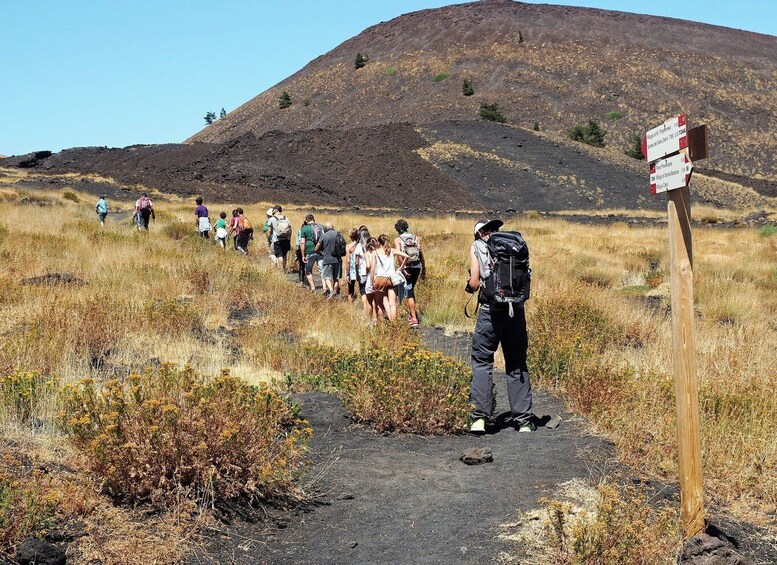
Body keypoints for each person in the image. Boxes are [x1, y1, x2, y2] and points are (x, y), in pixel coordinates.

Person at [466, 219, 534, 434]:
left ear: (478, 234)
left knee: (482, 361)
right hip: (516, 310)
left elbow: (475, 282)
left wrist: (469, 287)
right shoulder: (514, 245)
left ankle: (479, 419)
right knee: (516, 361)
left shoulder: (477, 246)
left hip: (490, 311)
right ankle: (524, 421)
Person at [393, 219, 426, 328]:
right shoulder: (415, 238)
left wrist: (403, 269)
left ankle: (414, 318)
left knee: (409, 292)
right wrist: (424, 268)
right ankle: (412, 314)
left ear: (398, 229)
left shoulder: (398, 240)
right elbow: (420, 253)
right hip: (417, 267)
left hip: (407, 268)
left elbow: (399, 255)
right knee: (410, 290)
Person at [370, 234, 409, 321]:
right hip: (391, 279)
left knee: (379, 303)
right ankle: (393, 323)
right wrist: (401, 268)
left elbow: (372, 269)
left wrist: (372, 281)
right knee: (392, 304)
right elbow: (407, 256)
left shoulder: (375, 252)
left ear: (379, 243)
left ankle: (382, 325)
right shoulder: (392, 251)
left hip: (379, 278)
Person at [315, 222, 344, 299]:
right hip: (338, 259)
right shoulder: (339, 234)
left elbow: (316, 248)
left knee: (326, 277)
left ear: (326, 228)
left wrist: (321, 254)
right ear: (333, 227)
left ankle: (331, 291)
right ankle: (335, 294)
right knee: (336, 278)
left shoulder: (324, 236)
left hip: (327, 259)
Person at [299, 214, 322, 291]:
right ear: (313, 219)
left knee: (308, 271)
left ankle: (313, 287)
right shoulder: (321, 226)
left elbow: (302, 243)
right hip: (320, 251)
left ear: (306, 220)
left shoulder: (305, 228)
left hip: (309, 251)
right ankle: (325, 287)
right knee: (322, 270)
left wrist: (303, 255)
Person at [345, 228, 367, 305]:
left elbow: (348, 261)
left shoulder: (349, 247)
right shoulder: (362, 245)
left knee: (350, 290)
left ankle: (351, 306)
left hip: (352, 269)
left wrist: (347, 273)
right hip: (361, 269)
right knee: (363, 290)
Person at [268, 205, 292, 271]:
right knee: (284, 255)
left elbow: (269, 231)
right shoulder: (286, 218)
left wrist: (269, 239)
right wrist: (289, 238)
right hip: (286, 239)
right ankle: (284, 268)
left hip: (277, 240)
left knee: (279, 255)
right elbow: (290, 229)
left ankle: (281, 270)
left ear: (276, 210)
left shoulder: (272, 219)